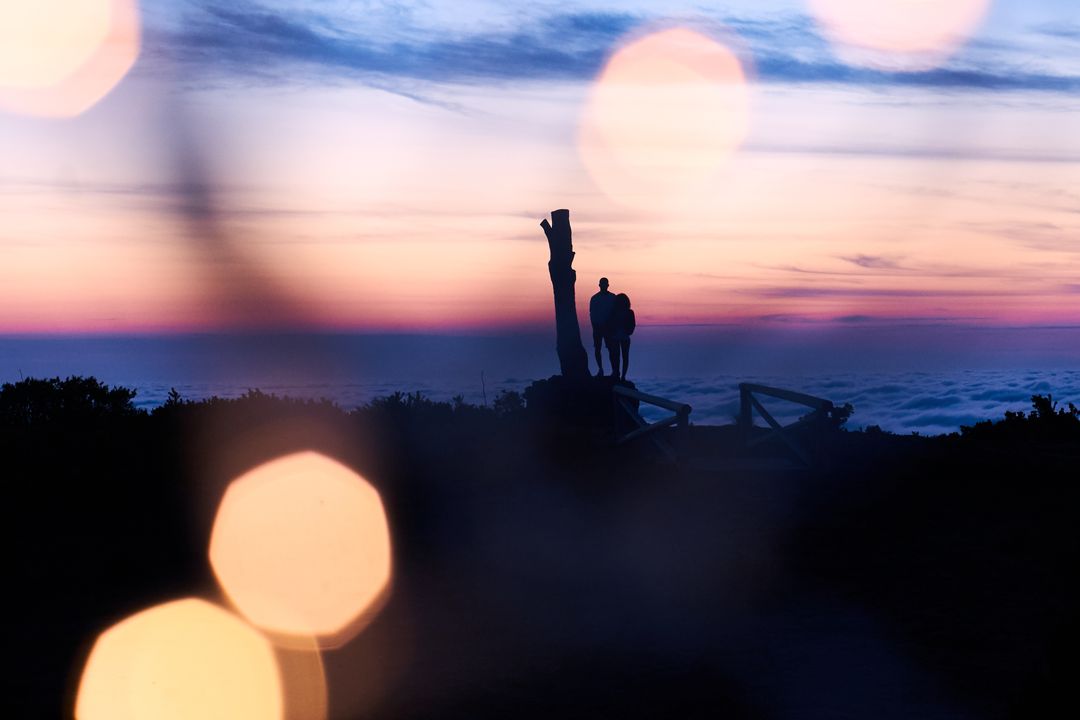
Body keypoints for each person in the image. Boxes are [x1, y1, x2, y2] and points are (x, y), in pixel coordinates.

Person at [589, 277, 618, 377]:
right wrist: (595, 326)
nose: (604, 286)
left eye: (605, 284)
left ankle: (614, 371)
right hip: (597, 327)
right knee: (598, 349)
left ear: (607, 285)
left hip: (609, 328)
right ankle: (600, 369)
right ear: (599, 285)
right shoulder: (594, 298)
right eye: (602, 284)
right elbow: (591, 313)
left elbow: (615, 313)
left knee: (611, 349)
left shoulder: (613, 297)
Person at [611, 293, 635, 381]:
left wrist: (629, 332)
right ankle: (618, 374)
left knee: (623, 357)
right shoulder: (614, 312)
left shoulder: (629, 312)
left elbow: (632, 324)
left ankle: (622, 376)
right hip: (617, 337)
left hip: (623, 337)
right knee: (618, 357)